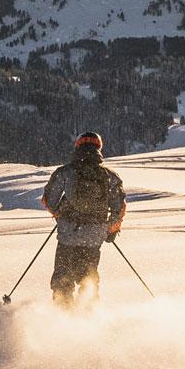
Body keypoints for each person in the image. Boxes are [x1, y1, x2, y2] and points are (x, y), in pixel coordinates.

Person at [40, 132, 127, 308]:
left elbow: (48, 200)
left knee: (63, 279)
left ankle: (61, 318)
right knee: (88, 279)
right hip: (94, 236)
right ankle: (89, 318)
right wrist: (110, 229)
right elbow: (119, 209)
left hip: (68, 234)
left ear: (77, 146)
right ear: (99, 148)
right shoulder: (109, 176)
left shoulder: (65, 172)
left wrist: (60, 215)